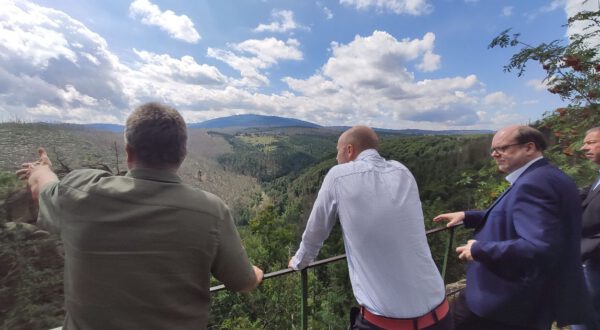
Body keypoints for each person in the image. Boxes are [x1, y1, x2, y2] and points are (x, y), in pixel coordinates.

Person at [16, 102, 263, 330]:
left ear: (128, 151)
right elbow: (243, 283)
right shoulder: (211, 211)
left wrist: (42, 168)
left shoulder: (79, 192)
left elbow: (42, 187)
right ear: (182, 154)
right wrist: (256, 272)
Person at [288, 125, 452, 330]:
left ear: (349, 150)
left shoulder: (338, 175)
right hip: (441, 314)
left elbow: (315, 234)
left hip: (386, 323)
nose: (336, 158)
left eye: (337, 152)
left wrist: (298, 262)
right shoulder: (403, 171)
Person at [433, 125, 592, 330]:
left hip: (502, 299)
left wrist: (478, 249)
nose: (494, 154)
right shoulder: (548, 175)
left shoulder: (534, 184)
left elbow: (539, 247)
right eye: (493, 150)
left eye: (502, 148)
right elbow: (519, 217)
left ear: (529, 148)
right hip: (524, 299)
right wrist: (467, 216)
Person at [572, 127, 600, 330]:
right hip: (591, 260)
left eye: (590, 142)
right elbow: (589, 194)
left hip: (595, 261)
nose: (583, 147)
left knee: (582, 316)